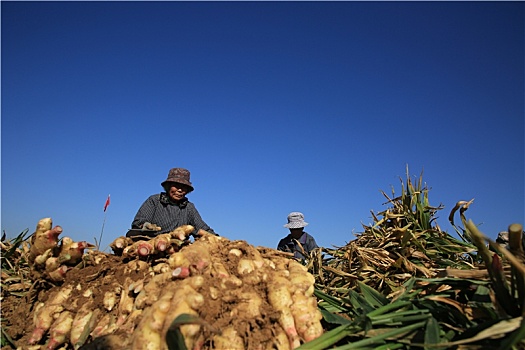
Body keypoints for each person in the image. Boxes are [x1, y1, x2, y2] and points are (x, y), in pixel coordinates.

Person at [130, 167, 216, 237]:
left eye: (184, 187)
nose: (180, 190)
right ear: (168, 186)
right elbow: (138, 222)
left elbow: (201, 227)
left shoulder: (189, 207)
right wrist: (146, 225)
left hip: (179, 246)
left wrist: (218, 238)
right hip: (153, 243)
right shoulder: (154, 200)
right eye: (176, 186)